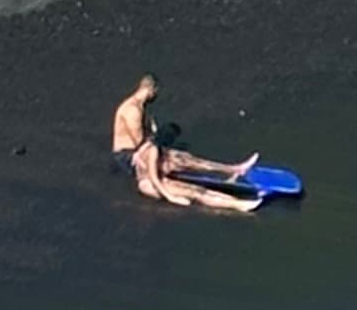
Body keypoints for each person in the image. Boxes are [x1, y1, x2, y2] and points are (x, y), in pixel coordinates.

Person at [111, 75, 255, 184]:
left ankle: (229, 171)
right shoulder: (133, 110)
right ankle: (234, 170)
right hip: (128, 158)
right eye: (156, 92)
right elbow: (138, 142)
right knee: (179, 160)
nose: (156, 96)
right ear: (151, 90)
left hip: (136, 153)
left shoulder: (139, 107)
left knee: (183, 156)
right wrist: (155, 139)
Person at [127, 133, 262, 214]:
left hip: (159, 171)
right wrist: (171, 197)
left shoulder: (150, 143)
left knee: (186, 159)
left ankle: (234, 170)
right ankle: (239, 205)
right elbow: (154, 177)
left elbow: (148, 142)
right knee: (197, 192)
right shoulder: (154, 151)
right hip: (150, 183)